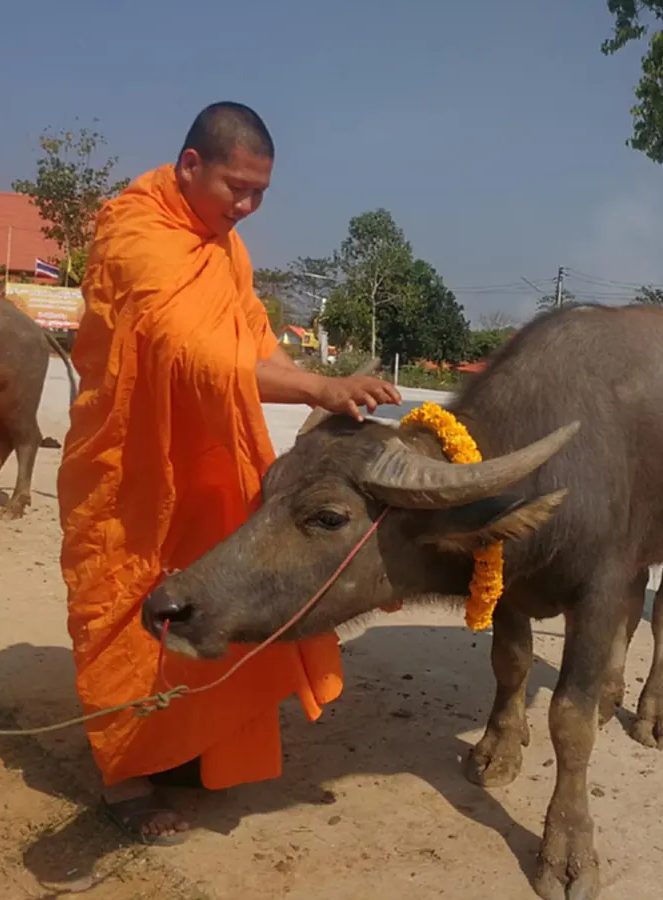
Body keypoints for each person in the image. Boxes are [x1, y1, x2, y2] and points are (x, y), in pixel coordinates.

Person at [58, 101, 402, 846]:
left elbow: (255, 345)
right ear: (190, 167)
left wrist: (329, 386)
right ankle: (124, 774)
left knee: (216, 593)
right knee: (125, 599)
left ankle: (183, 748)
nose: (246, 207)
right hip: (135, 467)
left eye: (260, 195)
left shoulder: (223, 247)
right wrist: (318, 389)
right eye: (235, 189)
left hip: (209, 458)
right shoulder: (136, 234)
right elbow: (191, 354)